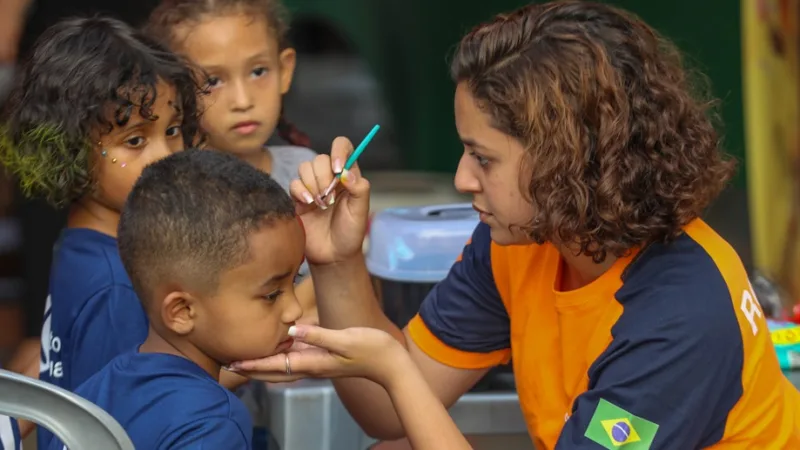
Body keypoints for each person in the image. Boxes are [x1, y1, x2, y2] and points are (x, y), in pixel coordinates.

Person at [231, 1, 800, 449]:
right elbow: (385, 413)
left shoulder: (679, 317)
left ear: (569, 159)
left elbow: (402, 390)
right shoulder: (520, 240)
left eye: (483, 158)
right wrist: (336, 260)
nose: (460, 179)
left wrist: (398, 374)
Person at [0, 16, 203, 447]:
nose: (165, 156)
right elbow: (119, 423)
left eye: (172, 131)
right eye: (134, 140)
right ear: (71, 150)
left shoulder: (82, 244)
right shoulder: (117, 283)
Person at [47, 148, 305, 449]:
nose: (295, 309)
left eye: (295, 281)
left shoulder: (94, 392)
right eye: (272, 295)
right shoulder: (211, 424)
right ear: (182, 312)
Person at [145, 0, 318, 322]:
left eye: (258, 71)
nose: (243, 100)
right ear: (173, 89)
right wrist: (317, 286)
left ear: (285, 70)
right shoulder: (170, 197)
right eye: (213, 81)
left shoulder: (308, 175)